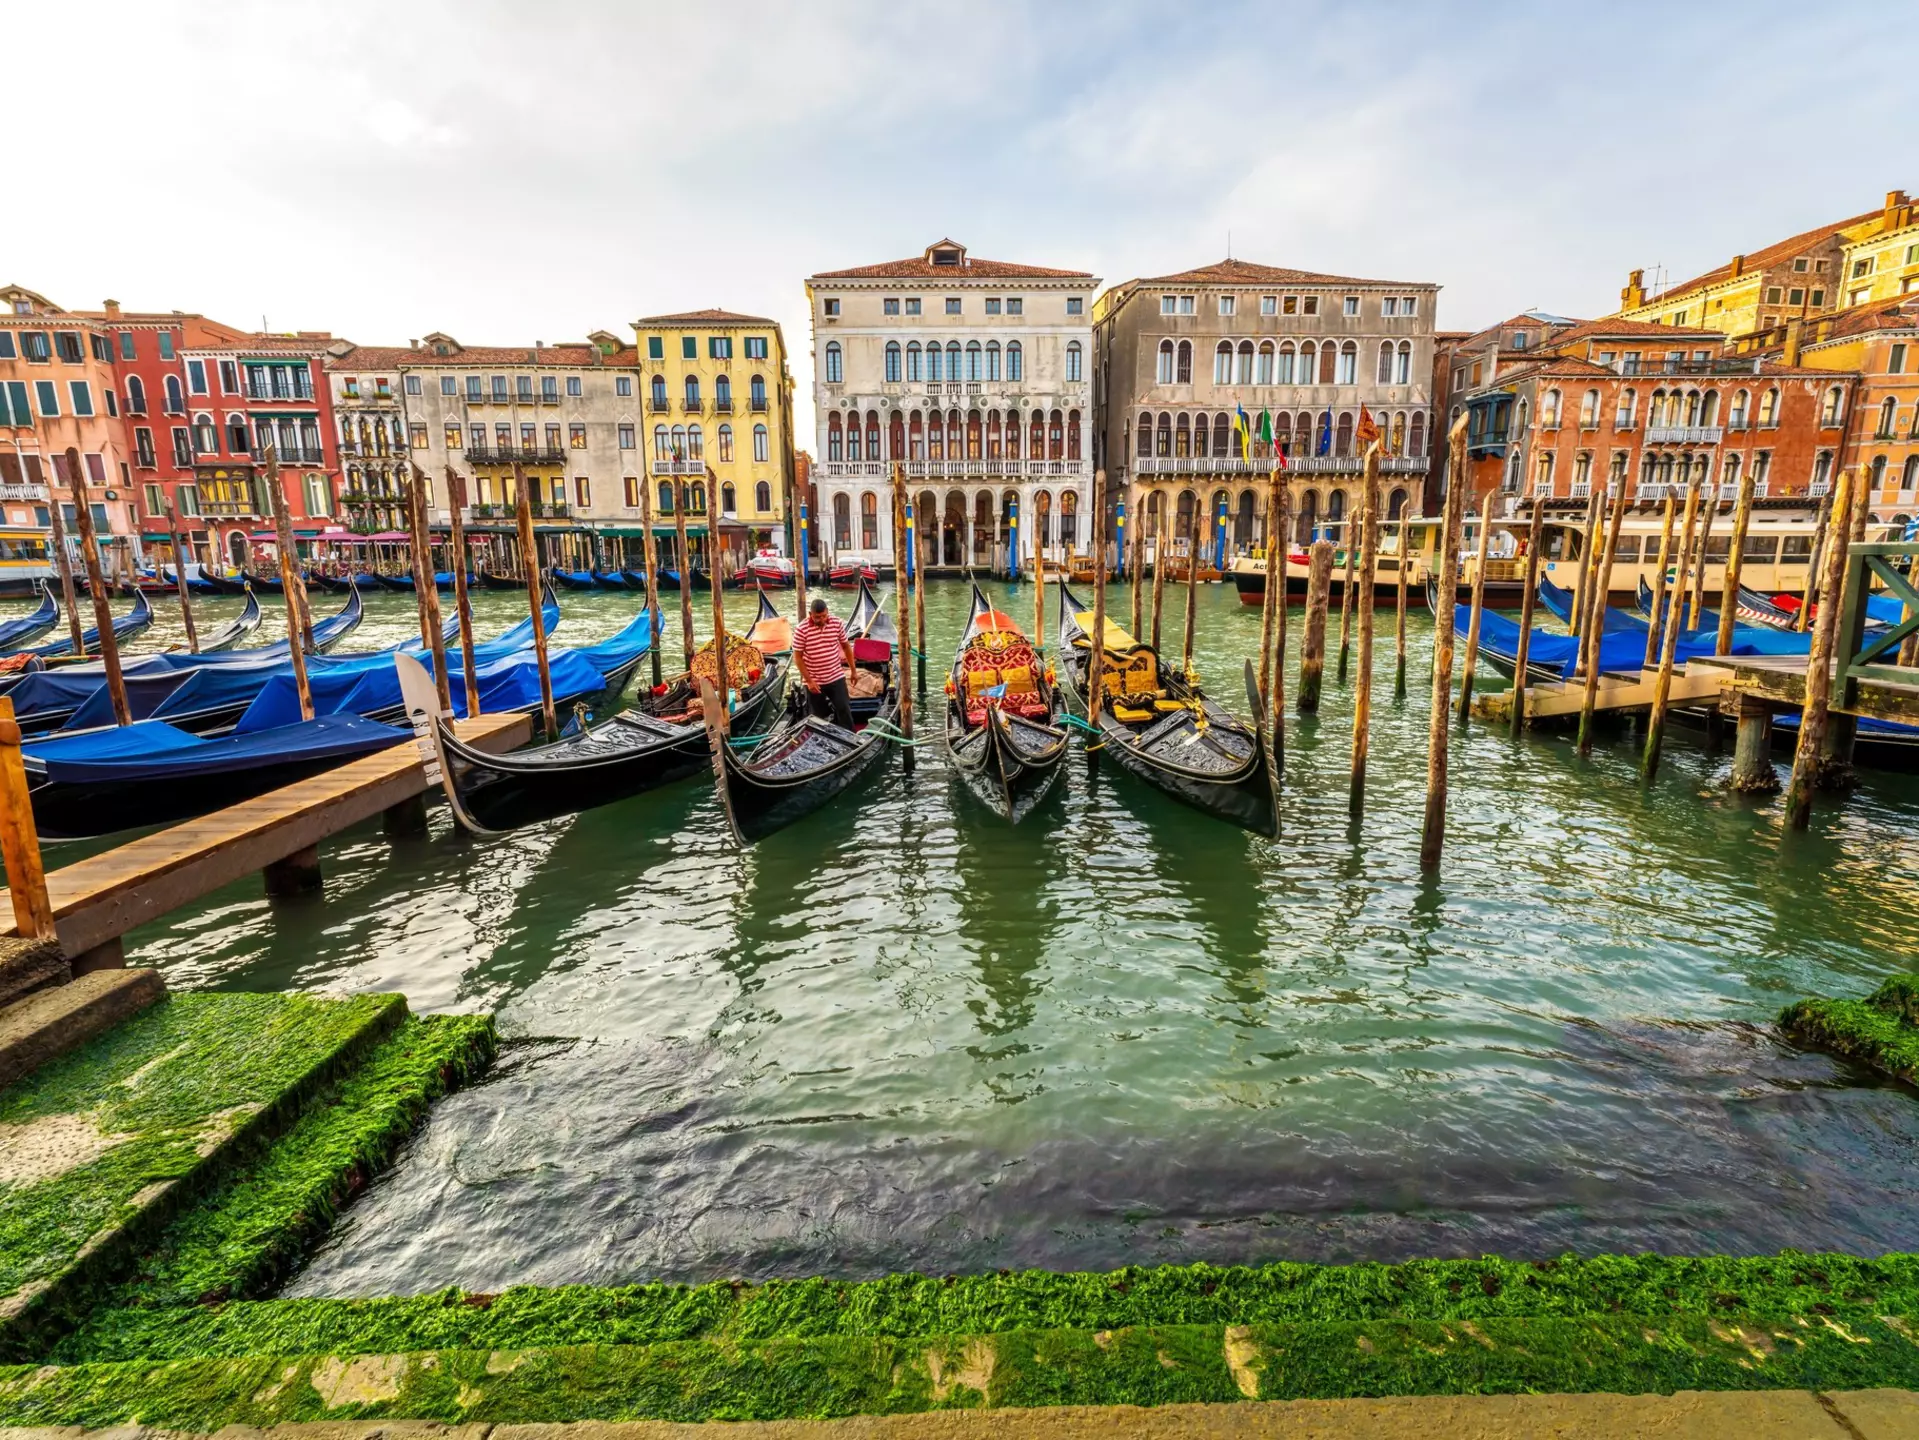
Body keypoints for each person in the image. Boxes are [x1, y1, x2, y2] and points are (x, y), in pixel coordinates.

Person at [793, 596, 855, 728]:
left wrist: (853, 671)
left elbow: (846, 646)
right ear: (810, 615)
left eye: (823, 616)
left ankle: (850, 738)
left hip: (835, 676)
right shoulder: (801, 629)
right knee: (817, 716)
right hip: (814, 680)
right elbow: (797, 658)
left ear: (827, 612)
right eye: (817, 617)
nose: (821, 620)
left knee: (844, 708)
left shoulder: (837, 623)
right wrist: (809, 681)